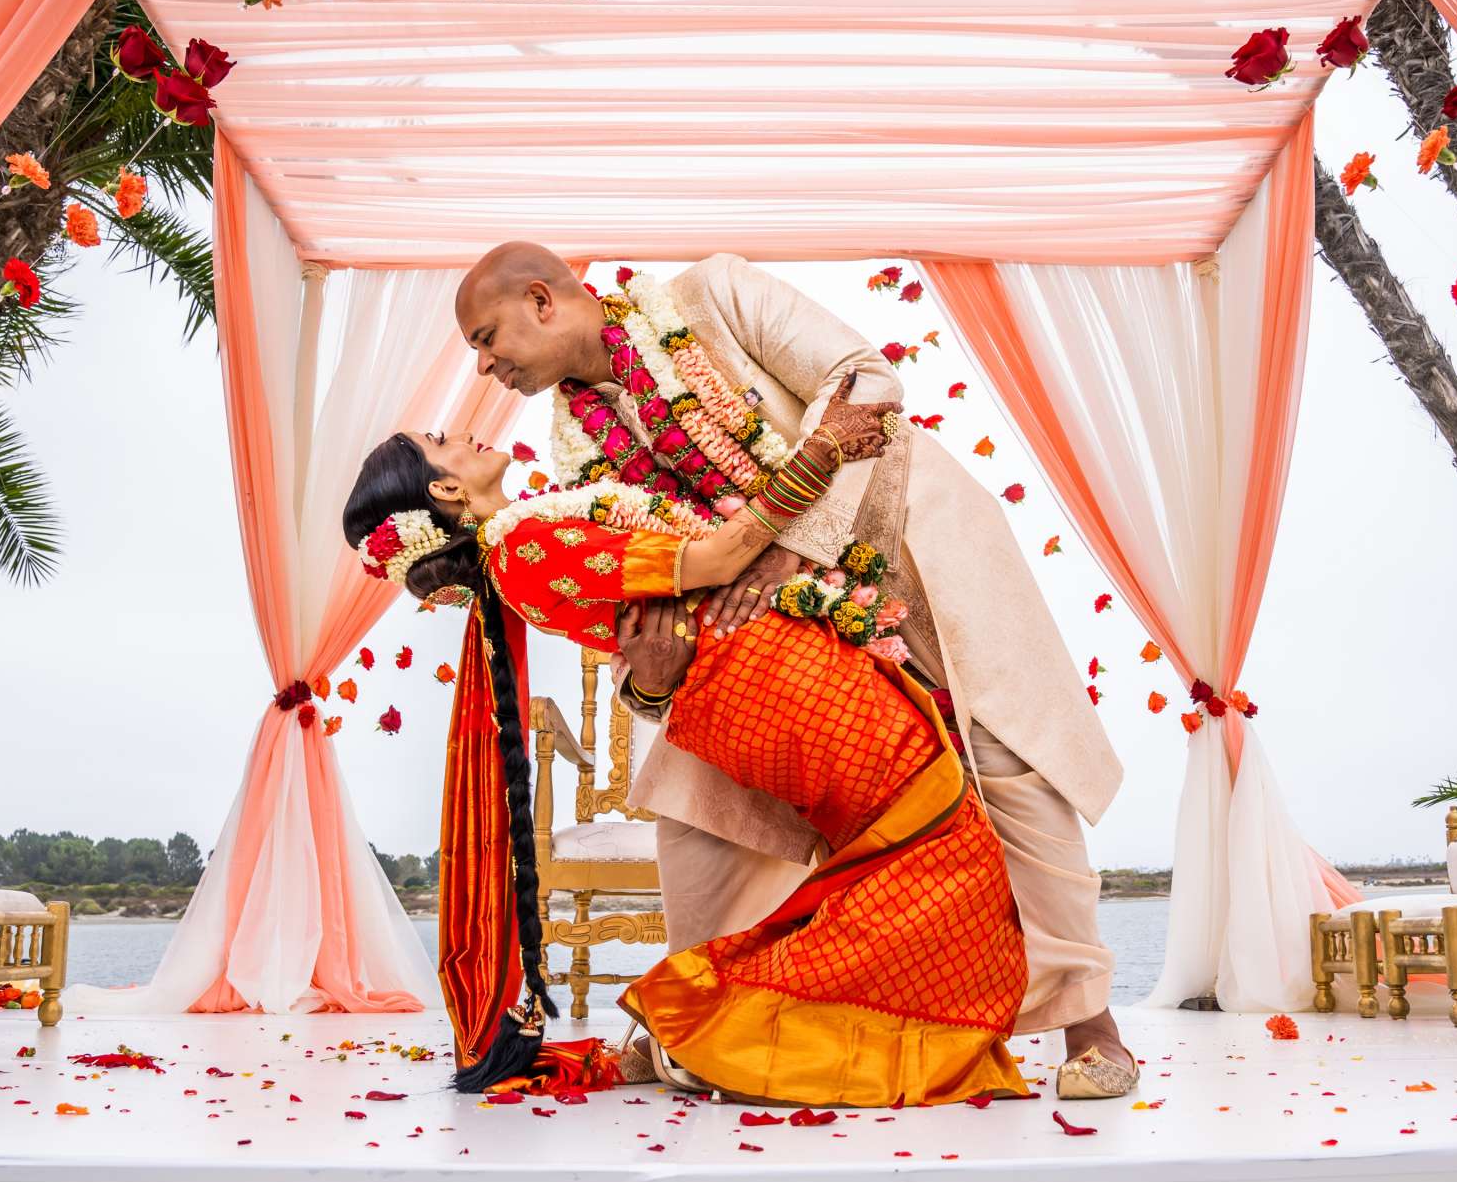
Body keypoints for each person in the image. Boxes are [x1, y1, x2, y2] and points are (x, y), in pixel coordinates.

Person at [451, 242, 1137, 1098]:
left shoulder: (715, 294)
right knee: (693, 805)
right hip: (780, 637)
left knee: (1007, 764)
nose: (485, 365)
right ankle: (692, 1020)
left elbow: (868, 385)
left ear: (544, 301)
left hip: (910, 540)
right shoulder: (575, 455)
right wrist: (654, 684)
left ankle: (1091, 1027)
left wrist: (790, 545)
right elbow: (642, 597)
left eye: (487, 336)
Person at [342, 415, 1032, 1108]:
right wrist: (820, 452)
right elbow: (717, 562)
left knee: (916, 848)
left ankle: (755, 1032)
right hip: (768, 678)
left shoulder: (524, 548)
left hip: (751, 686)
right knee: (945, 847)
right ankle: (712, 1030)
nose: (463, 434)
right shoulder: (522, 547)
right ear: (447, 486)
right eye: (441, 442)